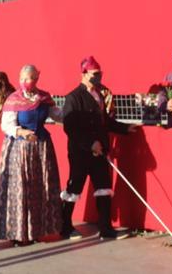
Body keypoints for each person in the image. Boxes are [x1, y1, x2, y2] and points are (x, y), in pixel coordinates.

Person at [59, 56, 139, 240]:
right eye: (95, 74)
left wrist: (125, 128)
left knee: (103, 188)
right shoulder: (73, 97)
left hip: (100, 151)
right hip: (80, 152)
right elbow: (70, 127)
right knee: (74, 188)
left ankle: (106, 228)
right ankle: (65, 226)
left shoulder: (99, 95)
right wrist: (89, 144)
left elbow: (105, 122)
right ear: (84, 74)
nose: (99, 77)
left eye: (100, 73)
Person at [0, 64, 63, 246]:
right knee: (21, 189)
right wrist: (21, 132)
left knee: (41, 188)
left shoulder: (44, 97)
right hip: (20, 148)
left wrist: (71, 111)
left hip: (41, 148)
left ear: (37, 78)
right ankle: (19, 233)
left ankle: (39, 230)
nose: (24, 82)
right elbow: (6, 125)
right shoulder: (13, 99)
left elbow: (57, 115)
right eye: (22, 78)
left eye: (29, 78)